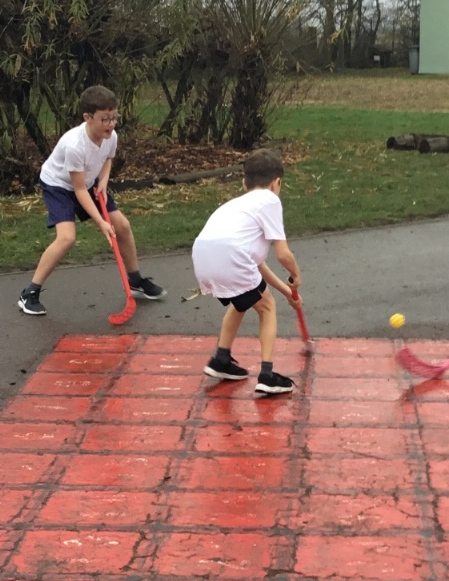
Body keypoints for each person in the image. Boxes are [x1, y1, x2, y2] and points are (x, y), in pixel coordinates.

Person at [17, 85, 164, 315]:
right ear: (88, 117)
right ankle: (29, 293)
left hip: (88, 183)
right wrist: (101, 222)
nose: (111, 124)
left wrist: (103, 180)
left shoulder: (110, 136)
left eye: (114, 117)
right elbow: (78, 191)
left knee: (123, 226)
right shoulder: (75, 146)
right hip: (59, 186)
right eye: (105, 119)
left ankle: (135, 280)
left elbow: (107, 159)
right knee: (67, 238)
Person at [191, 148, 301, 396]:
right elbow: (283, 254)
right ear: (277, 183)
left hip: (203, 254)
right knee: (267, 307)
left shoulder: (237, 206)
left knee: (242, 301)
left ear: (244, 183)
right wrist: (296, 274)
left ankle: (221, 359)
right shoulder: (270, 200)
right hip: (231, 255)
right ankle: (267, 374)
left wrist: (287, 291)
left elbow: (257, 266)